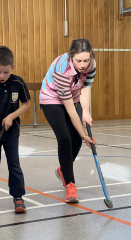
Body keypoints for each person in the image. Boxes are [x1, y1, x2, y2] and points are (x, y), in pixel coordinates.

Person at [39, 38, 96, 203]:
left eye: (86, 60)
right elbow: (70, 110)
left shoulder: (91, 64)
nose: (83, 65)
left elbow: (85, 88)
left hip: (73, 96)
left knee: (76, 140)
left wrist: (86, 111)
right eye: (79, 61)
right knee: (65, 139)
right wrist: (85, 134)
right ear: (71, 57)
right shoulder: (62, 70)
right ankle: (70, 186)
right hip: (51, 99)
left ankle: (63, 169)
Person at [0, 46, 30, 213]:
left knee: (14, 163)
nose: (1, 76)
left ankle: (18, 196)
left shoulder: (18, 83)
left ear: (12, 68)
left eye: (5, 72)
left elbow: (26, 104)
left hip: (11, 131)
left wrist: (11, 116)